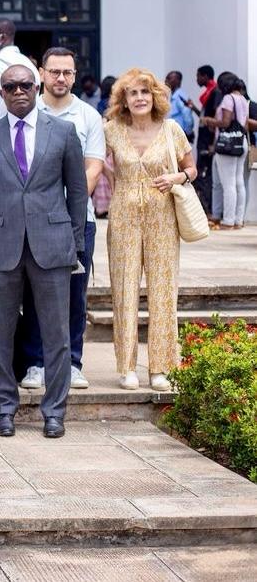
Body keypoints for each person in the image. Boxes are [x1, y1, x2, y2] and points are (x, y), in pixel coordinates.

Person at [0, 64, 87, 439]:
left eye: (25, 85)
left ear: (36, 88)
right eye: (10, 87)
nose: (19, 91)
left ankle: (55, 411)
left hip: (52, 247)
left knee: (57, 334)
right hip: (2, 250)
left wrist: (75, 247)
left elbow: (77, 193)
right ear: (0, 94)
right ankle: (3, 409)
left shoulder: (64, 132)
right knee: (0, 333)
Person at [17, 47, 105, 391]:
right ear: (41, 73)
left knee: (73, 293)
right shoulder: (26, 112)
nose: (61, 78)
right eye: (54, 71)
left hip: (75, 220)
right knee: (35, 293)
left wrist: (66, 204)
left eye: (67, 72)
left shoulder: (87, 116)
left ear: (75, 74)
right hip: (33, 220)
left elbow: (94, 166)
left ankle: (72, 362)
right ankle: (36, 362)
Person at [103, 69, 197, 392]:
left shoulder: (171, 130)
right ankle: (127, 366)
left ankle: (160, 367)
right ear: (124, 100)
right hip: (124, 218)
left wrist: (176, 178)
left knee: (163, 291)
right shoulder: (112, 131)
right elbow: (93, 161)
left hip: (163, 219)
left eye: (145, 92)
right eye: (133, 93)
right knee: (125, 291)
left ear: (154, 96)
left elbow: (191, 168)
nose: (140, 98)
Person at [202, 71, 249, 229]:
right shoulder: (242, 99)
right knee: (238, 182)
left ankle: (228, 221)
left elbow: (225, 122)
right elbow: (245, 125)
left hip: (228, 145)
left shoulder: (229, 99)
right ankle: (238, 220)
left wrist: (209, 120)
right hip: (240, 142)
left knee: (228, 184)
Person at [0, 18, 37, 121]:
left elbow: (7, 95)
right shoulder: (27, 62)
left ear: (3, 37)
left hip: (5, 124)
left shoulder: (0, 61)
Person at [190, 65, 222, 220]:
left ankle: (209, 211)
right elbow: (204, 118)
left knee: (205, 176)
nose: (197, 79)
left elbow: (214, 119)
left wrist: (213, 143)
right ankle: (206, 210)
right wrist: (193, 108)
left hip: (208, 142)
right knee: (202, 175)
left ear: (205, 76)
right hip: (202, 140)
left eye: (198, 76)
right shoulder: (208, 93)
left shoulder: (215, 92)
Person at [165, 71, 196, 140]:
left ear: (177, 81)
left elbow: (188, 116)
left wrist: (187, 133)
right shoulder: (174, 96)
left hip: (181, 136)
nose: (166, 81)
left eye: (169, 78)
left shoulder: (180, 96)